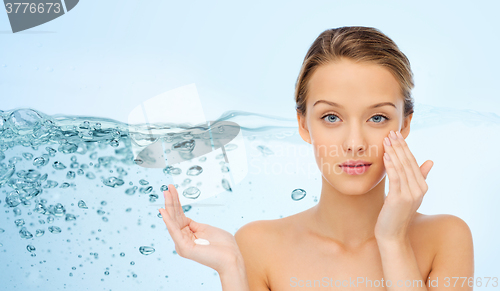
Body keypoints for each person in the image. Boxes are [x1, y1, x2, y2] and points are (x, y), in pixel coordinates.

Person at [158, 26, 474, 291]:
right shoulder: (257, 245)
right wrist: (231, 270)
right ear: (303, 124)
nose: (354, 144)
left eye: (377, 118)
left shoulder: (446, 238)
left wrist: (392, 240)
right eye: (331, 117)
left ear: (404, 124)